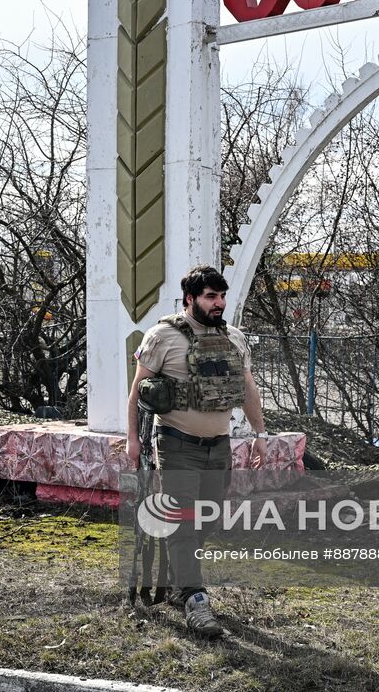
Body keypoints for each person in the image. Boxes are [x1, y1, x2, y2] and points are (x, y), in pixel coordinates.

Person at [126, 265, 268, 639]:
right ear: (190, 298)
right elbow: (137, 391)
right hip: (175, 443)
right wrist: (133, 439)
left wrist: (260, 433)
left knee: (209, 518)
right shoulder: (162, 337)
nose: (218, 303)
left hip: (219, 446)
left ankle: (178, 578)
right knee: (183, 520)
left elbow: (249, 389)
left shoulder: (234, 339)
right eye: (210, 296)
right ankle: (195, 599)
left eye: (221, 296)